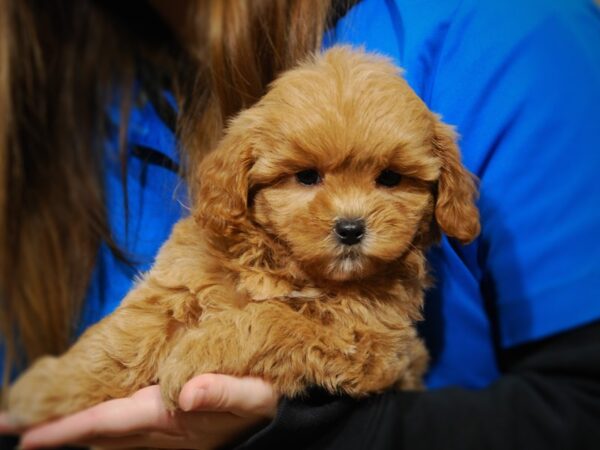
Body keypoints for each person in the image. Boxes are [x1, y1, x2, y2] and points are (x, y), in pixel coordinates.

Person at [1, 0, 599, 449]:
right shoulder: (57, 86)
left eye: (390, 180)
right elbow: (160, 304)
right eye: (306, 177)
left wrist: (302, 423)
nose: (349, 216)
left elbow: (581, 407)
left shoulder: (504, 32)